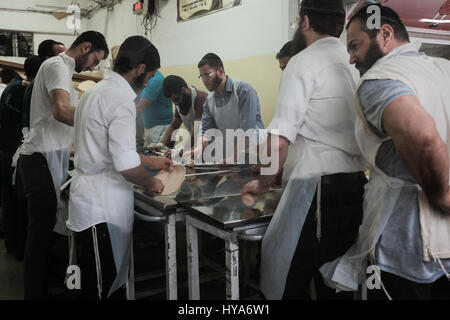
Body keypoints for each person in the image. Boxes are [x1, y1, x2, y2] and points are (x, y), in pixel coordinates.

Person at [320, 4, 450, 300]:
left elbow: (424, 137)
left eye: (355, 46)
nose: (351, 58)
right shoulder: (444, 69)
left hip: (406, 245)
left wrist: (441, 194)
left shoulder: (380, 78)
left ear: (386, 34)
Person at [241, 0, 366, 300]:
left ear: (305, 22)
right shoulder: (353, 64)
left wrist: (264, 181)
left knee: (283, 274)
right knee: (335, 280)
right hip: (355, 185)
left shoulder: (302, 62)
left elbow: (280, 139)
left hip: (316, 190)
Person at [66, 35, 172, 300]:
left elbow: (110, 149)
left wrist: (151, 162)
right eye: (150, 75)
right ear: (141, 69)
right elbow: (125, 165)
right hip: (100, 208)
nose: (148, 82)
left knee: (88, 280)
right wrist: (152, 183)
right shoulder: (121, 100)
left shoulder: (95, 92)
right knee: (103, 286)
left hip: (86, 199)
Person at [17, 30, 109, 299]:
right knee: (41, 236)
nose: (93, 67)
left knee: (44, 235)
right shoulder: (57, 64)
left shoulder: (62, 70)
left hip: (45, 158)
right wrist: (101, 124)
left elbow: (53, 121)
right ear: (86, 47)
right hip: (38, 161)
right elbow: (60, 110)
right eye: (95, 59)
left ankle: (43, 288)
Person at [187, 53, 264, 162]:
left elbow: (247, 131)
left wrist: (233, 158)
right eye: (201, 76)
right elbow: (206, 131)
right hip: (231, 153)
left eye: (208, 75)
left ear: (221, 72)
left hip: (253, 151)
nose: (204, 80)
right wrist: (199, 147)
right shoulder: (209, 101)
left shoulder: (244, 91)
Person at [0, 56, 41, 259]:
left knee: (12, 201)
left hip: (8, 151)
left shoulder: (14, 87)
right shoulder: (23, 91)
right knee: (18, 203)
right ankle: (18, 247)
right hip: (12, 154)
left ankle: (14, 244)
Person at [21, 40, 67, 129]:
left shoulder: (40, 81)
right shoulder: (39, 84)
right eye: (62, 56)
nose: (68, 58)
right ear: (49, 59)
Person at [158, 75, 207, 153]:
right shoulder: (180, 103)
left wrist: (179, 150)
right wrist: (161, 145)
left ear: (183, 90)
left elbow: (198, 129)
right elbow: (173, 126)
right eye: (173, 101)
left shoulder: (201, 99)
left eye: (177, 99)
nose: (176, 103)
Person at [136, 68, 173, 147]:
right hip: (153, 128)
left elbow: (140, 108)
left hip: (160, 129)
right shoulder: (150, 78)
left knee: (158, 157)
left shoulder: (154, 80)